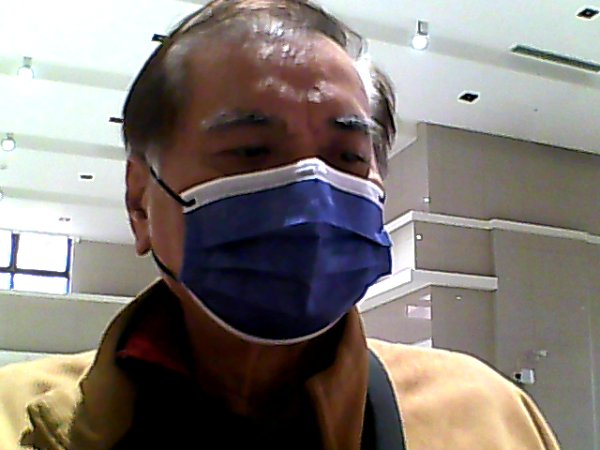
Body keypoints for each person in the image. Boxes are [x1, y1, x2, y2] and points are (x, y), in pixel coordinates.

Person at [0, 1, 560, 449]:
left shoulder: (489, 419)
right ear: (141, 201)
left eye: (347, 157)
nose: (309, 198)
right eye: (251, 150)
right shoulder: (17, 421)